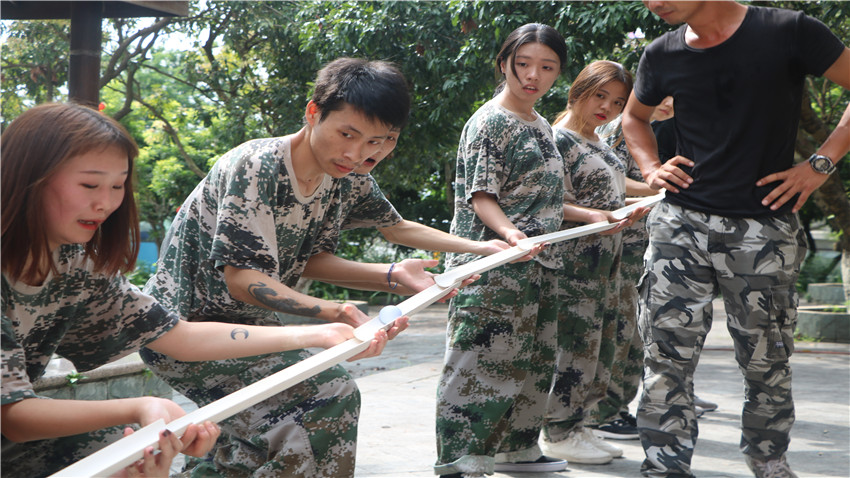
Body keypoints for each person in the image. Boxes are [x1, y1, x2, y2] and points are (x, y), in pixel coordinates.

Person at [0, 103, 390, 477]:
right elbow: (13, 415)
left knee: (128, 456)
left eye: (117, 186)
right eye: (89, 184)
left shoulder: (75, 263)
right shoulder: (256, 164)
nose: (106, 203)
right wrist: (143, 407)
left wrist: (319, 334)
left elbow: (178, 336)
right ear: (29, 176)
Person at [138, 58, 441, 477]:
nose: (357, 154)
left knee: (252, 449)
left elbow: (323, 255)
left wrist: (398, 273)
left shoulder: (345, 175)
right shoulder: (256, 165)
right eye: (347, 134)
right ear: (313, 112)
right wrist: (335, 312)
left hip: (252, 328)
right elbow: (243, 280)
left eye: (377, 141)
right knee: (327, 396)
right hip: (185, 329)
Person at [622, 2, 850, 476]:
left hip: (761, 227)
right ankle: (664, 466)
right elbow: (633, 118)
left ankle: (768, 459)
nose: (654, 3)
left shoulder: (789, 30)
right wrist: (650, 167)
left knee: (767, 358)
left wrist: (820, 164)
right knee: (665, 357)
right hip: (679, 224)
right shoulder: (661, 53)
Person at [433, 23, 569, 478]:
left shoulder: (542, 124)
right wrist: (512, 235)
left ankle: (517, 449)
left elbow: (545, 197)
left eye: (547, 67)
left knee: (533, 360)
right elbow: (482, 196)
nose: (533, 75)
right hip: (492, 266)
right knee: (480, 362)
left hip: (539, 263)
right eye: (523, 64)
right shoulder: (490, 121)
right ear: (503, 64)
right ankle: (460, 460)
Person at [538, 60, 649, 464]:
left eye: (617, 102)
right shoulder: (557, 139)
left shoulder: (597, 140)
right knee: (573, 349)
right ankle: (557, 431)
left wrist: (636, 201)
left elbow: (609, 192)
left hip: (607, 263)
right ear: (578, 90)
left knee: (600, 349)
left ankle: (579, 424)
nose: (607, 107)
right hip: (573, 265)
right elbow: (546, 201)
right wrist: (595, 216)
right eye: (600, 95)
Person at [302, 127, 512, 283]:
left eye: (389, 138)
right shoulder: (286, 168)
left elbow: (396, 228)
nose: (377, 148)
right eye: (353, 134)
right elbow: (303, 263)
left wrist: (480, 247)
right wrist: (393, 274)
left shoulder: (357, 181)